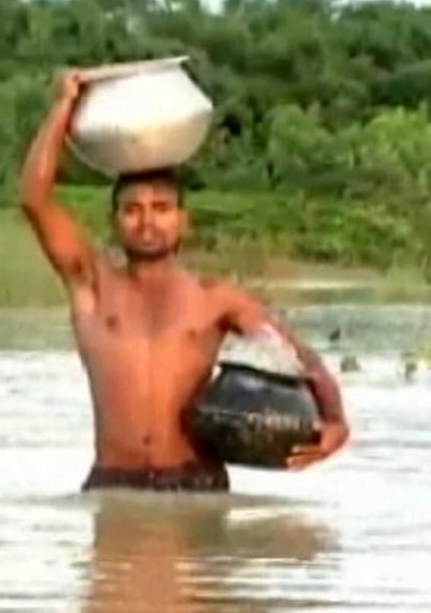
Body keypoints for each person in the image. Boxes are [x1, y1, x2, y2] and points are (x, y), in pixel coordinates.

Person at [18, 69, 349, 493]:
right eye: (132, 210)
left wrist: (336, 421)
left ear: (182, 221)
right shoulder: (93, 285)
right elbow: (34, 197)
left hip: (196, 482)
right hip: (114, 484)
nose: (147, 221)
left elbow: (295, 355)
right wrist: (63, 105)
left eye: (161, 208)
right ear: (115, 222)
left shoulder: (216, 301)